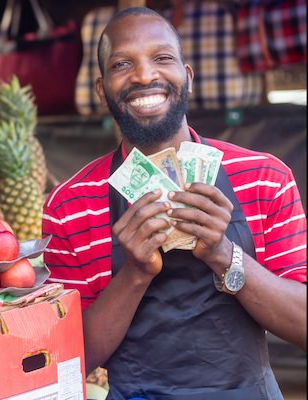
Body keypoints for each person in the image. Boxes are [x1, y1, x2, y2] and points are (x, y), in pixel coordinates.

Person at [42, 7, 306, 399]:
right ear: (102, 90)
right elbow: (70, 357)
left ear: (188, 77)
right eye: (122, 64)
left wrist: (224, 255)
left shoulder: (265, 177)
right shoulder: (71, 205)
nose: (145, 75)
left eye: (163, 58)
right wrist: (134, 274)